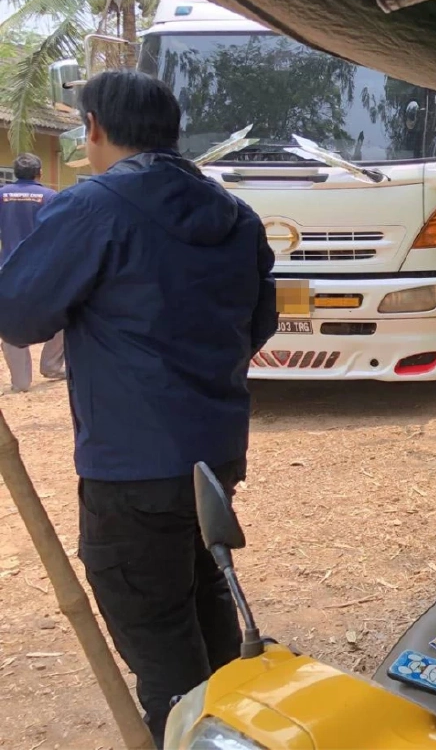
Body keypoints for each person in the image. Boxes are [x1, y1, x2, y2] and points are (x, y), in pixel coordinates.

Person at [0, 71, 277, 746]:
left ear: (93, 127)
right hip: (214, 459)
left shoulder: (95, 206)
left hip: (132, 469)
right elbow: (259, 323)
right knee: (206, 602)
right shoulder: (235, 214)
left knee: (160, 642)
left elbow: (18, 313)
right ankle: (230, 727)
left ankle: (192, 733)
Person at [0, 153, 65, 392]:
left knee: (10, 320)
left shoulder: (2, 195)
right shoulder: (50, 196)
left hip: (8, 268)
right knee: (64, 314)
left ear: (15, 173)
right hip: (43, 268)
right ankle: (51, 365)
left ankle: (20, 381)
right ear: (39, 173)